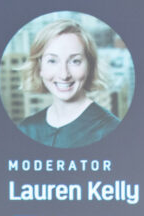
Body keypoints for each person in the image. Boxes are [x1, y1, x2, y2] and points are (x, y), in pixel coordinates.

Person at [17, 19, 121, 148]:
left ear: (89, 66)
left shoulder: (111, 129)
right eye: (52, 61)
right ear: (39, 68)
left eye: (75, 61)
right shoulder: (26, 128)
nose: (64, 74)